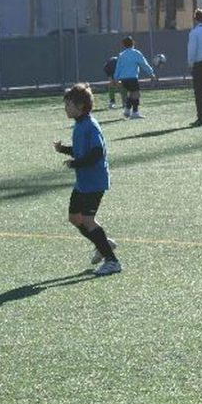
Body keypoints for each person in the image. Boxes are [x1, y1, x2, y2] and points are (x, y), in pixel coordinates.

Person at [52, 83, 121, 276]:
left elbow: (97, 153)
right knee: (75, 218)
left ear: (81, 106)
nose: (65, 108)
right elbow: (82, 151)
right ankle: (103, 243)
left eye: (68, 105)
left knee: (88, 221)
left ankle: (112, 262)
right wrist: (64, 149)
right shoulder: (80, 125)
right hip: (83, 182)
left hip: (94, 182)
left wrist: (76, 164)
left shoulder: (90, 126)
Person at [114, 36, 156, 119]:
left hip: (123, 79)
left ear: (124, 45)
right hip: (132, 77)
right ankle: (135, 112)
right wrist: (151, 73)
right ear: (133, 43)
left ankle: (127, 110)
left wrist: (116, 78)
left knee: (131, 93)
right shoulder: (136, 53)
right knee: (136, 94)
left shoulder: (121, 54)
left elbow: (118, 67)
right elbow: (144, 64)